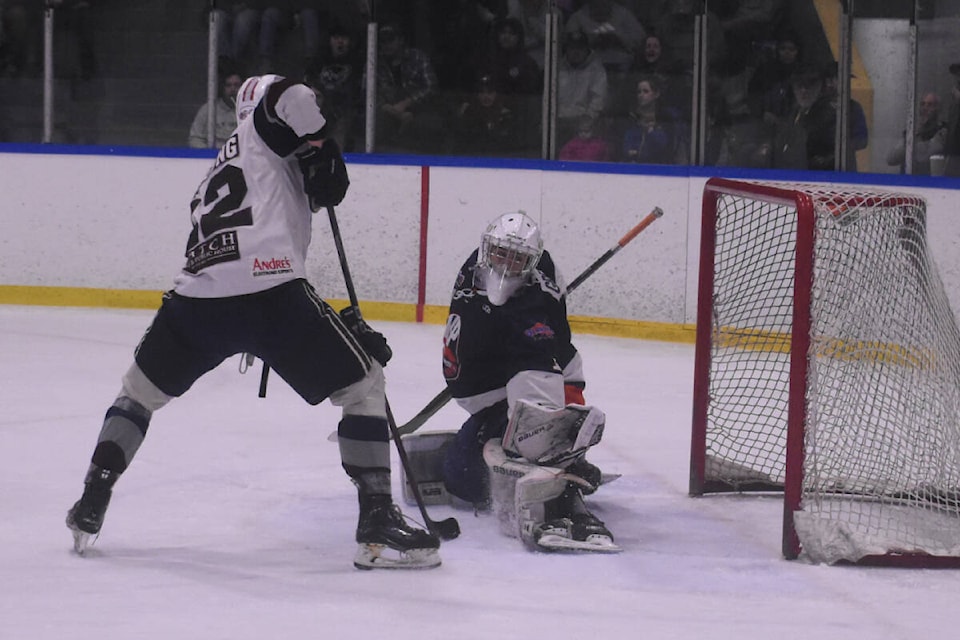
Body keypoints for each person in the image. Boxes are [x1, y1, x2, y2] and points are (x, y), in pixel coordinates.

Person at [65, 74, 441, 570]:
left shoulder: (220, 170)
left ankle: (91, 502)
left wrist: (309, 161)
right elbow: (291, 94)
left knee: (137, 396)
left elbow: (247, 236)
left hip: (195, 298)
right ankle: (377, 518)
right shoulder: (263, 128)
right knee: (364, 383)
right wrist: (321, 141)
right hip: (271, 294)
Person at [440, 211, 616, 552]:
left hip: (533, 379)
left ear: (532, 263)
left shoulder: (534, 307)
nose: (506, 265)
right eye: (500, 253)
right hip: (488, 389)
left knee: (541, 408)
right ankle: (548, 452)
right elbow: (486, 319)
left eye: (518, 258)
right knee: (463, 479)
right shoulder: (475, 279)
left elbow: (553, 354)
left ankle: (559, 472)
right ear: (485, 249)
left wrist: (554, 434)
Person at [304, 24, 364, 152]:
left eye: (344, 38)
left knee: (342, 124)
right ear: (330, 40)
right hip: (322, 107)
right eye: (336, 38)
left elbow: (356, 88)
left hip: (344, 108)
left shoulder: (356, 61)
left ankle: (337, 156)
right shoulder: (319, 59)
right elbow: (309, 80)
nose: (340, 41)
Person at [769, 64, 835, 170]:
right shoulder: (794, 111)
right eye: (799, 85)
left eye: (811, 84)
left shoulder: (828, 115)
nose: (803, 90)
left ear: (821, 87)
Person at [557, 30, 608, 148]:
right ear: (566, 49)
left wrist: (588, 119)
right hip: (558, 121)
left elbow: (598, 100)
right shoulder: (557, 67)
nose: (576, 52)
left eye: (580, 48)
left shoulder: (597, 70)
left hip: (582, 122)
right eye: (572, 48)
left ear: (587, 49)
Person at [618, 74, 686, 164]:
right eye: (639, 92)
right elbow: (626, 145)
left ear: (656, 94)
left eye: (646, 91)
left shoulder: (666, 117)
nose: (641, 95)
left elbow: (665, 146)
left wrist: (650, 131)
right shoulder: (633, 116)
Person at [885, 92, 947, 176]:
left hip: (931, 184)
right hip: (908, 184)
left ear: (938, 109)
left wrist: (911, 144)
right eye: (922, 104)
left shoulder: (943, 131)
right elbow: (891, 158)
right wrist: (916, 133)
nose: (925, 108)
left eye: (930, 105)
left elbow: (925, 154)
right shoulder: (911, 131)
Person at [187, 71, 243, 149]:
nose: (232, 89)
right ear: (222, 88)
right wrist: (209, 154)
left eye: (236, 85)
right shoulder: (208, 110)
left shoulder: (248, 112)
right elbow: (195, 138)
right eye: (228, 85)